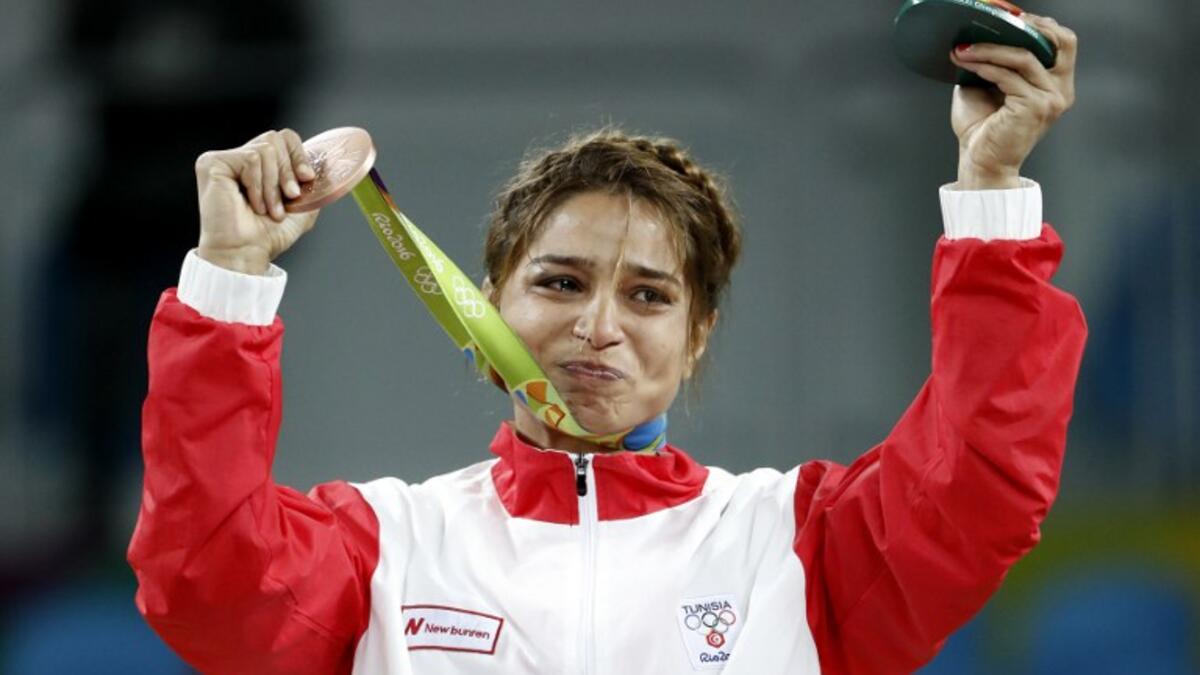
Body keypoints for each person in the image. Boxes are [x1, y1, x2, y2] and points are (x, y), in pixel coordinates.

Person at [128, 15, 1086, 675]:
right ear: (485, 301)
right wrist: (230, 277)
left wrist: (992, 188)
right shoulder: (386, 549)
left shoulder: (796, 546)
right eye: (559, 282)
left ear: (697, 334)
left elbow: (982, 478)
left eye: (649, 295)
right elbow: (205, 579)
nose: (597, 327)